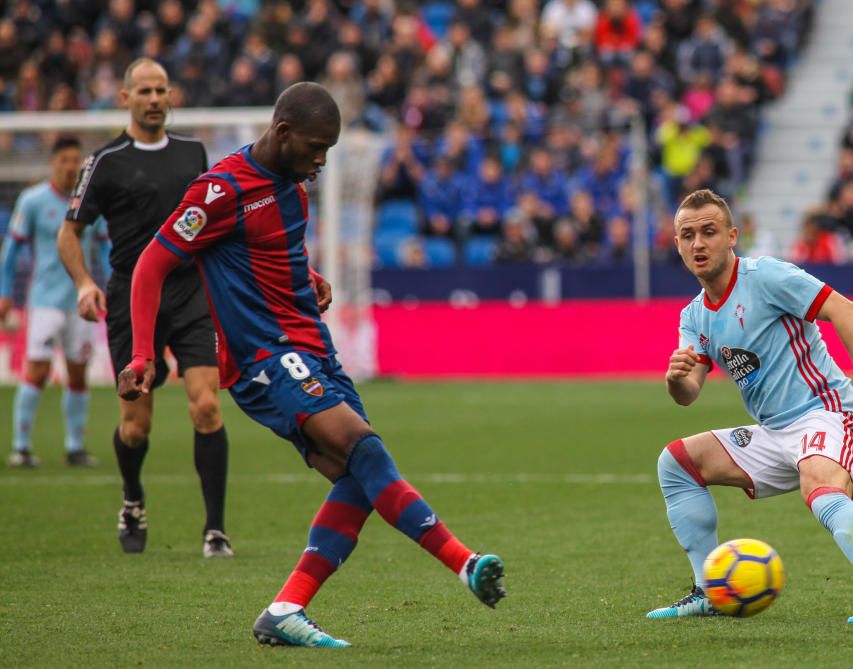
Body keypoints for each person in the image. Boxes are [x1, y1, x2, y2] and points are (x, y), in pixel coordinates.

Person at [117, 82, 506, 648]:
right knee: (366, 450)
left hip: (315, 351)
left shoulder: (294, 189)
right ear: (283, 133)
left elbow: (276, 255)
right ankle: (464, 563)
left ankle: (286, 609)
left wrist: (311, 281)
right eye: (316, 147)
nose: (322, 160)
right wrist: (143, 353)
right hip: (266, 358)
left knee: (360, 477)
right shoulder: (220, 190)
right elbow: (151, 264)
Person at [646, 189, 853, 625]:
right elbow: (689, 392)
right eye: (687, 235)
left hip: (827, 412)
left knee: (819, 487)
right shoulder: (694, 316)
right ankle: (708, 591)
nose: (698, 243)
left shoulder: (767, 276)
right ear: (677, 244)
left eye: (709, 232)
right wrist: (675, 378)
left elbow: (846, 311)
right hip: (774, 433)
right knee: (676, 462)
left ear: (732, 236)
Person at [57, 58, 232, 558]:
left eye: (161, 90)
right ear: (125, 98)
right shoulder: (105, 162)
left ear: (170, 95)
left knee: (206, 406)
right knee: (137, 425)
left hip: (191, 292)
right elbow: (70, 233)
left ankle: (215, 529)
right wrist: (85, 283)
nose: (155, 99)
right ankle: (132, 498)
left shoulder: (194, 153)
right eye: (145, 91)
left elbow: (217, 224)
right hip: (133, 298)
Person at [0, 136, 108, 468]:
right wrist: (4, 293)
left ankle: (75, 447)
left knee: (78, 373)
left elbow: (104, 248)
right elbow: (12, 250)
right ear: (54, 163)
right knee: (37, 370)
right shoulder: (33, 201)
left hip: (81, 300)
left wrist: (114, 284)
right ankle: (21, 446)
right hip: (44, 299)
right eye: (65, 160)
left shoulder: (90, 202)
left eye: (76, 160)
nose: (71, 166)